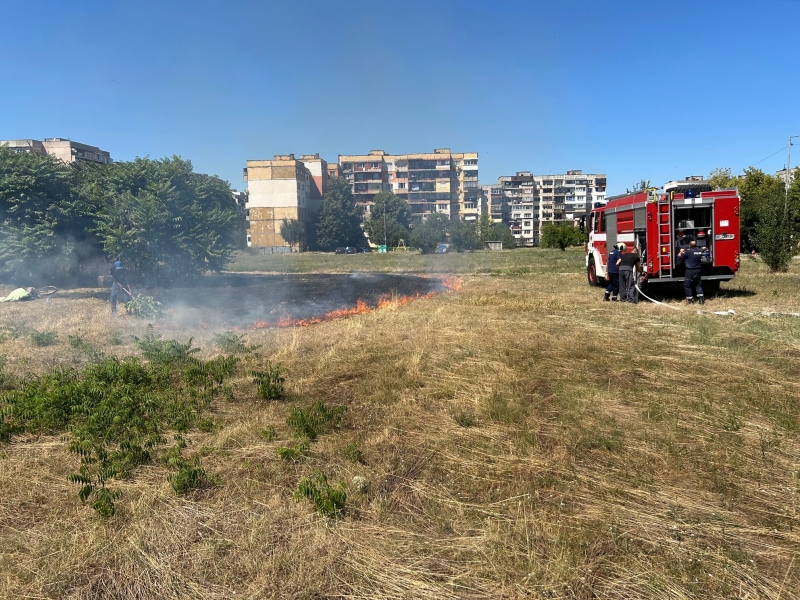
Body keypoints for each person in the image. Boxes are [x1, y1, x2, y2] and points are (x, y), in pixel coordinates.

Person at [679, 240, 705, 304]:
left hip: (690, 270)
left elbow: (680, 256)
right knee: (698, 284)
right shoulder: (699, 251)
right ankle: (701, 300)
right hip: (698, 270)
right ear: (696, 245)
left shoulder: (688, 252)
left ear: (689, 245)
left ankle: (690, 300)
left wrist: (681, 251)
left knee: (687, 285)